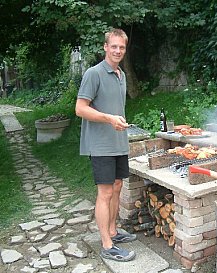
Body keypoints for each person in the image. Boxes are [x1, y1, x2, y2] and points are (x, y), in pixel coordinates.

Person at [75, 28, 136, 262]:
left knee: (118, 186)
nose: (118, 50)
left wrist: (117, 121)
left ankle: (113, 231)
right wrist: (109, 118)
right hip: (99, 144)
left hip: (118, 142)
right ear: (105, 47)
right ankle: (107, 244)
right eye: (114, 46)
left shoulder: (121, 75)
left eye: (122, 47)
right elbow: (80, 108)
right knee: (105, 192)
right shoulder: (94, 73)